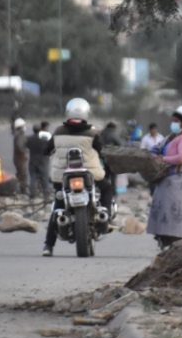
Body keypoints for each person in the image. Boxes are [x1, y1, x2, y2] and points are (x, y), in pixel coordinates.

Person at [42, 98, 114, 257]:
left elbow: (46, 150)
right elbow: (103, 152)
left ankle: (48, 246)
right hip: (91, 174)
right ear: (86, 113)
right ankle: (106, 217)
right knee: (107, 188)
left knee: (58, 207)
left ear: (68, 112)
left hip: (62, 177)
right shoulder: (92, 133)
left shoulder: (58, 132)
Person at [147, 106, 182, 250]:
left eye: (176, 121)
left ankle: (176, 246)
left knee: (174, 214)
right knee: (164, 211)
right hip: (166, 181)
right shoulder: (171, 137)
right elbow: (155, 148)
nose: (173, 123)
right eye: (173, 120)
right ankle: (167, 244)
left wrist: (163, 159)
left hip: (177, 182)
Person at [26, 123, 52, 199]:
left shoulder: (29, 138)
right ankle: (46, 194)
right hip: (43, 160)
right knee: (44, 178)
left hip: (33, 160)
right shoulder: (44, 138)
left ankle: (33, 194)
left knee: (33, 178)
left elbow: (27, 146)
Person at [13, 117, 29, 196]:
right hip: (20, 159)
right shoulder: (20, 135)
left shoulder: (18, 134)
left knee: (20, 174)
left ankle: (19, 189)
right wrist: (24, 154)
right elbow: (19, 146)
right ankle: (22, 191)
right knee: (23, 174)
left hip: (18, 159)